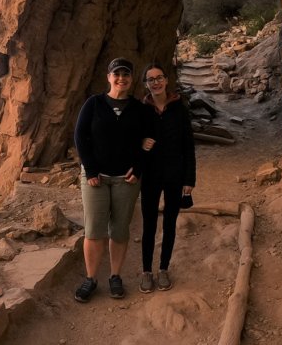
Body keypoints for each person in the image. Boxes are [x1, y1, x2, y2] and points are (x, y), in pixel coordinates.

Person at [73, 57, 151, 302]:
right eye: (116, 74)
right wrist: (91, 170)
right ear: (108, 78)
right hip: (96, 178)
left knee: (119, 230)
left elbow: (149, 140)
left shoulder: (139, 109)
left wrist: (138, 167)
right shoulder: (94, 104)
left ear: (131, 79)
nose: (121, 78)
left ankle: (115, 276)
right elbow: (80, 136)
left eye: (126, 74)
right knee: (94, 231)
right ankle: (91, 278)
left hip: (125, 180)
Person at [138, 62, 196, 292]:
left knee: (170, 223)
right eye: (151, 79)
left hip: (175, 174)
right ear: (146, 84)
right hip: (151, 175)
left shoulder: (179, 109)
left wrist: (189, 179)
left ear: (166, 80)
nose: (156, 82)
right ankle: (146, 271)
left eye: (159, 77)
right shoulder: (142, 111)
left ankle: (163, 269)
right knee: (149, 225)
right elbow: (131, 138)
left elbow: (188, 145)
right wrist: (140, 143)